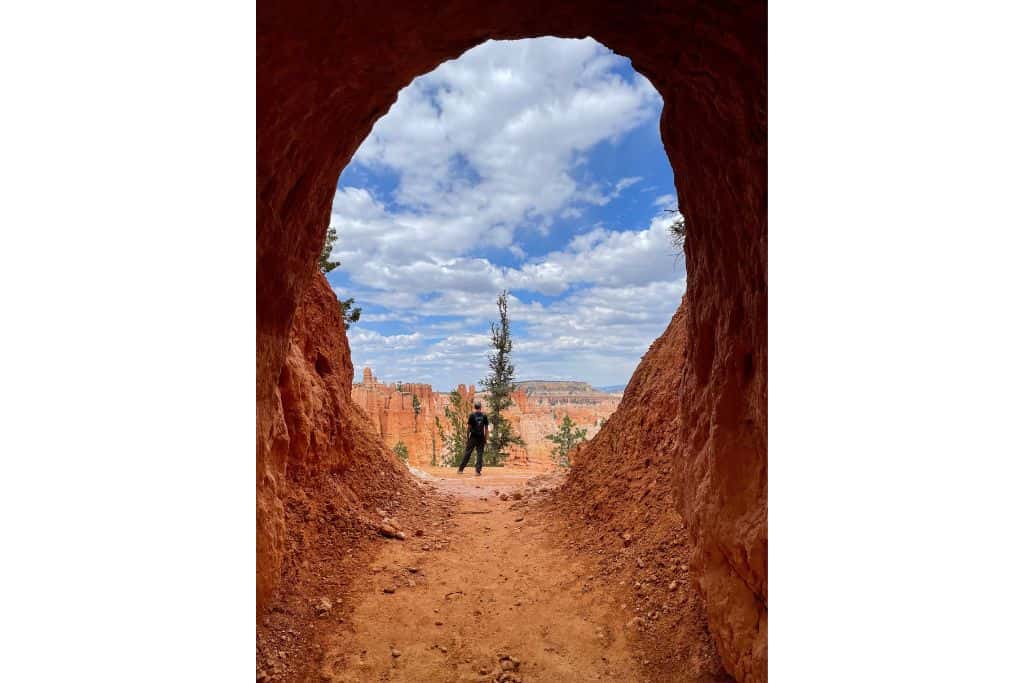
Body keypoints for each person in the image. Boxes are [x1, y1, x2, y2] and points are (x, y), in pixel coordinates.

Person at [458, 401, 489, 476]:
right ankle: (477, 472)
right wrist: (485, 438)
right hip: (481, 437)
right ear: (480, 407)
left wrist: (467, 438)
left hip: (473, 437)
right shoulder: (484, 416)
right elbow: (486, 429)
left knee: (467, 453)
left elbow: (469, 428)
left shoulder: (472, 415)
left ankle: (460, 469)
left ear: (475, 407)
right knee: (479, 454)